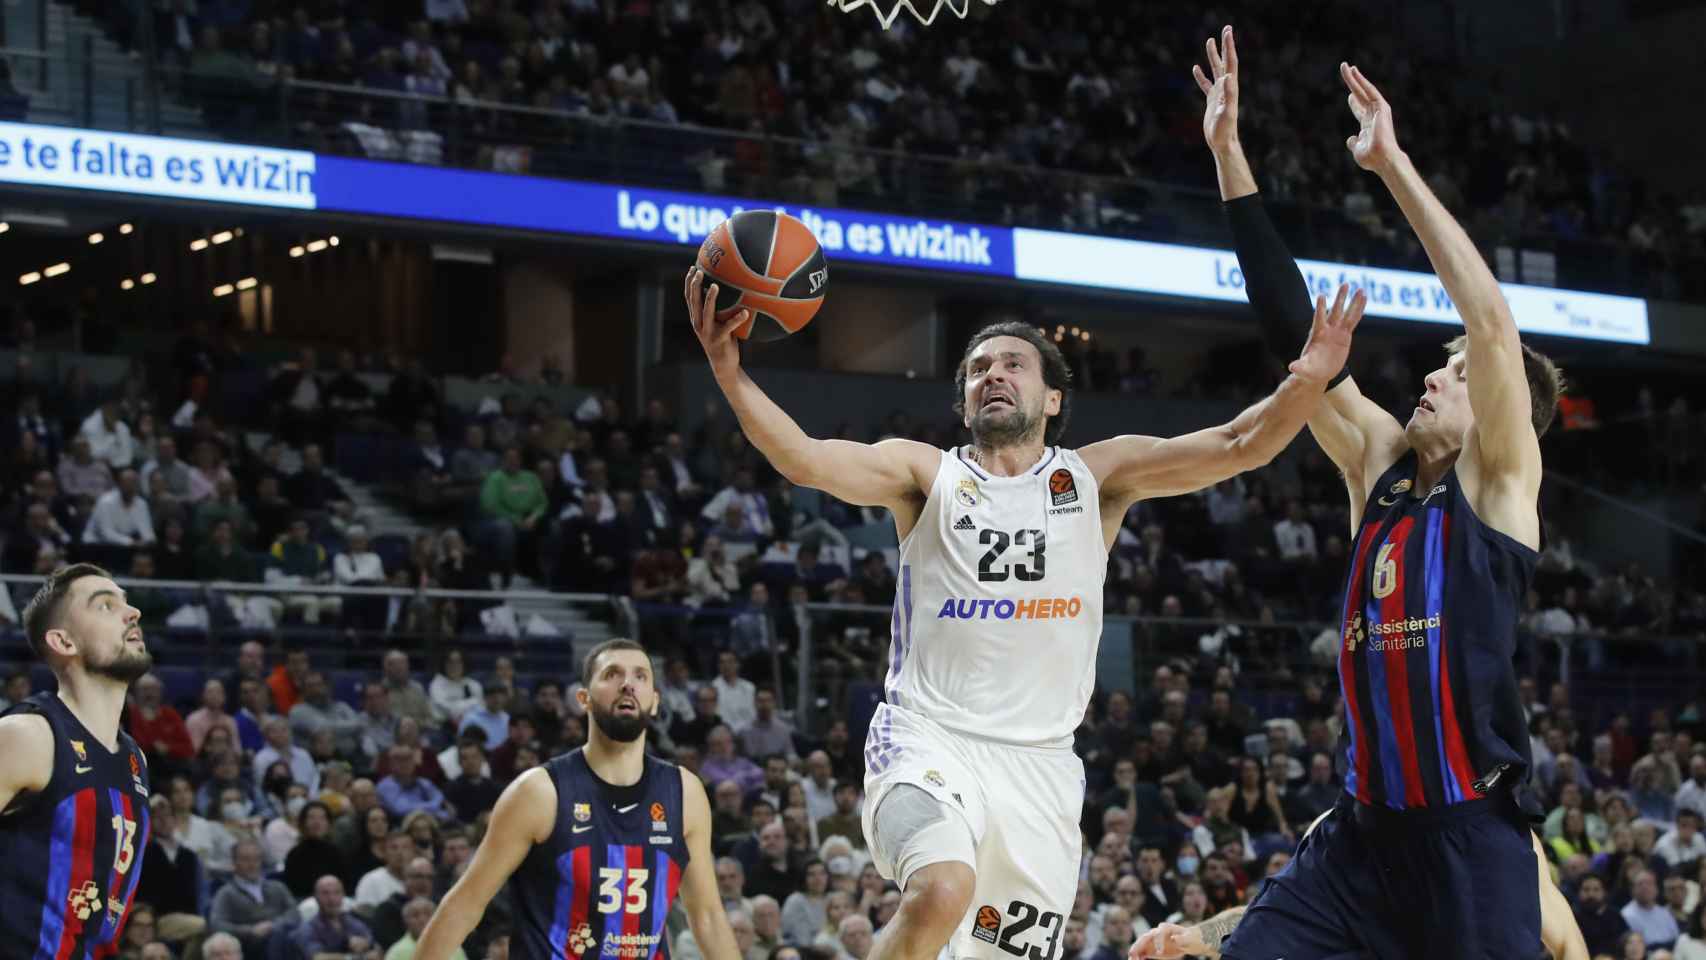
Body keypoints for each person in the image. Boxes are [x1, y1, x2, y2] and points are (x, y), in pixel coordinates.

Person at [682, 123, 1362, 958]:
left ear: (1051, 401)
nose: (992, 374)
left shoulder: (1096, 478)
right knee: (941, 886)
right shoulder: (925, 476)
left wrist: (1311, 374)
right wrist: (730, 372)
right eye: (977, 368)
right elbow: (803, 458)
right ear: (963, 398)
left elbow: (1238, 444)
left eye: (1012, 365)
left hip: (1041, 770)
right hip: (926, 739)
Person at [1160, 31, 1569, 960]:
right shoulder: (1377, 468)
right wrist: (1229, 158)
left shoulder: (1502, 486)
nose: (1433, 375)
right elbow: (1291, 337)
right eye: (1438, 366)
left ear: (1504, 414)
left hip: (1471, 840)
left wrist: (1391, 165)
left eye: (1453, 374)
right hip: (1361, 838)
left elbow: (1492, 324)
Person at [414, 639, 744, 960]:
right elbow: (466, 903)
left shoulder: (684, 792)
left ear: (655, 701)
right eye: (612, 675)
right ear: (583, 698)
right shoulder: (539, 792)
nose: (628, 685)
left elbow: (708, 917)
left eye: (640, 676)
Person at [0, 564, 156, 960]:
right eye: (105, 606)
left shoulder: (135, 760)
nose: (131, 611)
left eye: (126, 601)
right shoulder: (27, 736)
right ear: (63, 641)